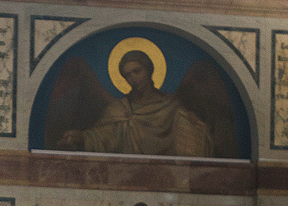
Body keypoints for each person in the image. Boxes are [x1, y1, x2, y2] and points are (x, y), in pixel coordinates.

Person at [57, 50, 213, 157]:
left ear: (149, 70)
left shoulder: (172, 107)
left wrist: (197, 127)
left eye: (137, 71)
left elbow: (191, 145)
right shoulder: (120, 110)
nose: (132, 78)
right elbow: (103, 137)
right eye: (127, 75)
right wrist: (81, 137)